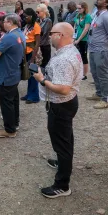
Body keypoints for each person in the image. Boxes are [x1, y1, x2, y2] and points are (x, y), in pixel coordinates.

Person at [32, 22, 82, 199]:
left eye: (51, 33)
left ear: (60, 35)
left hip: (61, 104)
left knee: (62, 142)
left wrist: (41, 79)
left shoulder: (63, 59)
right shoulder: (69, 51)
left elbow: (63, 88)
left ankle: (62, 185)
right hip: (66, 104)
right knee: (65, 139)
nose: (49, 35)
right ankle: (63, 163)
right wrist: (45, 71)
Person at [0, 13, 25, 138]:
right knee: (13, 100)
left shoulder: (9, 36)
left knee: (6, 102)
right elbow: (3, 46)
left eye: (5, 21)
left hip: (7, 74)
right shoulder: (18, 33)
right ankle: (15, 123)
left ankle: (9, 130)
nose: (2, 23)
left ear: (10, 23)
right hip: (14, 73)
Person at [87, 0, 108, 109]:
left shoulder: (106, 16)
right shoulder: (97, 14)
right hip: (93, 48)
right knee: (94, 72)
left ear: (105, 4)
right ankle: (99, 93)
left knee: (103, 74)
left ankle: (105, 99)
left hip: (102, 49)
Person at [21, 8, 41, 104]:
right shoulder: (27, 25)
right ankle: (29, 94)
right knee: (28, 75)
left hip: (33, 52)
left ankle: (34, 96)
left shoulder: (36, 26)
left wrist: (33, 58)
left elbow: (37, 43)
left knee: (33, 75)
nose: (24, 18)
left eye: (26, 16)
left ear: (31, 16)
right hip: (26, 52)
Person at [73, 2, 92, 80]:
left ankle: (84, 74)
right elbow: (75, 26)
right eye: (77, 8)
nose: (78, 10)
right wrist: (74, 38)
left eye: (80, 8)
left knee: (83, 56)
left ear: (84, 8)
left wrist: (79, 39)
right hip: (76, 38)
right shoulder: (78, 15)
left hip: (83, 39)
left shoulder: (87, 16)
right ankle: (78, 72)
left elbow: (86, 29)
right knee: (77, 56)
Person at [36, 3, 53, 69]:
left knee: (45, 64)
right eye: (36, 12)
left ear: (43, 12)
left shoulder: (48, 21)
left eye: (38, 12)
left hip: (45, 45)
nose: (37, 14)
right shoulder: (38, 20)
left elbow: (43, 32)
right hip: (39, 45)